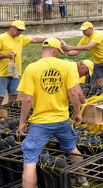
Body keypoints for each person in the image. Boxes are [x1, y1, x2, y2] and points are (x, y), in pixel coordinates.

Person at [17, 38, 86, 188]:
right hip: (61, 120)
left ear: (43, 49)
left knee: (30, 160)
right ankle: (83, 180)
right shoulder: (66, 66)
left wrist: (22, 121)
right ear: (55, 50)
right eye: (58, 52)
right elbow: (73, 93)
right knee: (72, 148)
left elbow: (28, 99)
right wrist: (78, 112)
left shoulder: (31, 68)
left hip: (40, 122)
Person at [0, 20, 45, 107]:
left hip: (15, 73)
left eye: (21, 30)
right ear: (11, 27)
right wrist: (6, 55)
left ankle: (10, 117)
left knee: (14, 97)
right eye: (18, 30)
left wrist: (50, 39)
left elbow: (35, 40)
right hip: (1, 73)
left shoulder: (20, 38)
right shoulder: (1, 38)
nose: (20, 32)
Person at [62, 22, 103, 89]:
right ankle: (98, 95)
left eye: (85, 29)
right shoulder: (84, 39)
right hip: (98, 62)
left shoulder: (97, 35)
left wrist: (70, 47)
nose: (83, 31)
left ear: (91, 29)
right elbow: (75, 52)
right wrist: (63, 51)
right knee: (98, 81)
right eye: (82, 30)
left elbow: (89, 47)